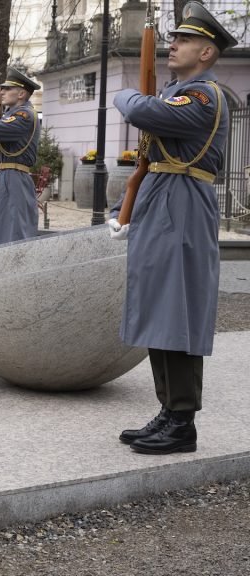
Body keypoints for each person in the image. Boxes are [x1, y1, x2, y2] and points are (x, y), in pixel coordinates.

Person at [108, 1, 235, 456]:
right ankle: (168, 410)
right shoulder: (177, 92)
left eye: (184, 40)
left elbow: (140, 112)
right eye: (174, 37)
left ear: (206, 52)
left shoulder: (204, 96)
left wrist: (128, 97)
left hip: (183, 201)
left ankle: (183, 420)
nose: (173, 44)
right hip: (162, 198)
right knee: (160, 306)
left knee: (177, 306)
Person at [0, 68, 41, 246]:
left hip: (15, 177)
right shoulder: (11, 114)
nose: (1, 92)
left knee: (16, 230)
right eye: (2, 88)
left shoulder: (24, 115)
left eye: (7, 89)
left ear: (21, 93)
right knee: (1, 227)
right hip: (6, 175)